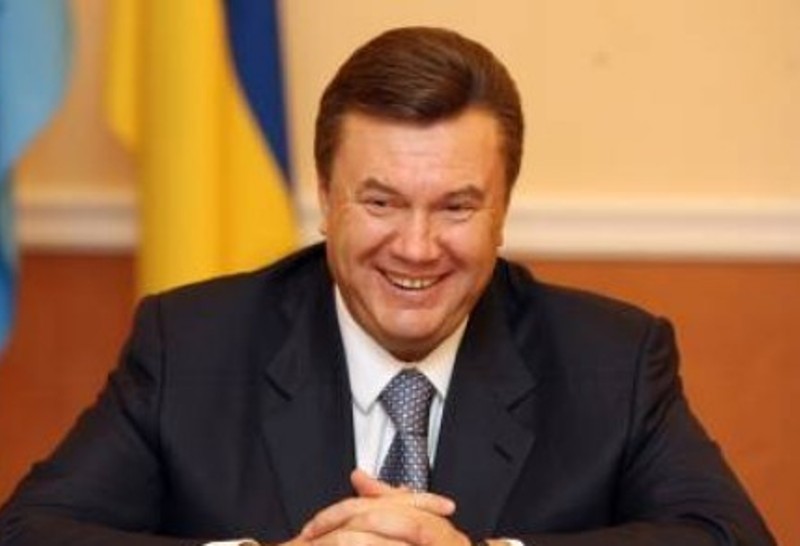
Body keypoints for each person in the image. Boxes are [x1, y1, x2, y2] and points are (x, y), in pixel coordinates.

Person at [0, 26, 774, 546]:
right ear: (326, 198)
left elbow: (728, 536)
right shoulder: (195, 346)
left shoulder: (610, 358)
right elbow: (30, 532)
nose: (416, 246)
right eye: (380, 202)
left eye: (457, 207)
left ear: (503, 210)